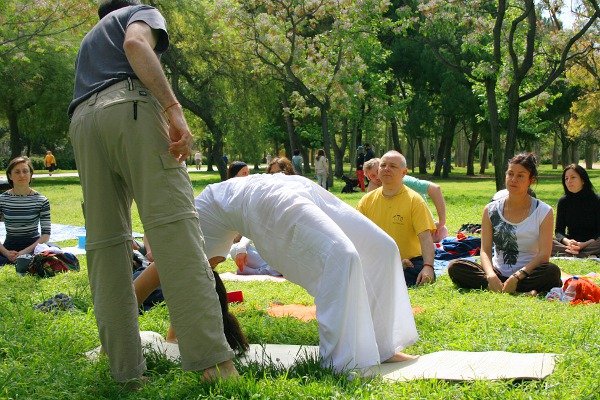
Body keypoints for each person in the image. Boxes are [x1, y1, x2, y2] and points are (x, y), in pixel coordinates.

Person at [67, 0, 237, 384]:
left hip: (82, 122)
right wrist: (174, 110)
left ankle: (124, 372)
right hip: (130, 108)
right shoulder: (140, 11)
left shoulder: (90, 39)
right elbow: (136, 45)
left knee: (106, 248)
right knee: (175, 232)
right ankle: (215, 367)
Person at [195, 174, 419, 372]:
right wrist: (177, 336)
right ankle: (339, 363)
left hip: (289, 186)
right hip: (264, 201)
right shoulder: (195, 226)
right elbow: (191, 281)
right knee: (341, 257)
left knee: (382, 247)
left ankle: (382, 347)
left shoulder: (193, 215)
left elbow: (192, 279)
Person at [447, 153, 562, 294]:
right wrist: (490, 276)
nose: (513, 180)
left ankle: (509, 287)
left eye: (520, 176)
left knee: (552, 272)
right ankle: (502, 287)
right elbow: (485, 250)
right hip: (497, 271)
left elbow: (544, 255)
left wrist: (517, 277)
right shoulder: (491, 210)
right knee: (455, 267)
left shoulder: (544, 211)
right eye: (510, 174)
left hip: (527, 274)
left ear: (531, 180)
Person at [357, 151, 436, 287]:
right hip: (378, 261)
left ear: (404, 172)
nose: (386, 169)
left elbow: (425, 238)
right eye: (383, 165)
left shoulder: (414, 200)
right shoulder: (366, 200)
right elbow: (357, 234)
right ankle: (395, 269)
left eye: (393, 166)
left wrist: (428, 266)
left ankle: (394, 271)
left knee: (417, 273)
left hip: (412, 261)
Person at [363, 157, 448, 243]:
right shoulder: (378, 190)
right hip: (401, 227)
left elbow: (435, 189)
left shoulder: (403, 180)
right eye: (372, 176)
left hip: (424, 227)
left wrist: (441, 221)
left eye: (378, 171)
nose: (377, 177)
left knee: (442, 231)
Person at [0, 157, 51, 266]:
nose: (22, 175)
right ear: (10, 175)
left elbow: (46, 234)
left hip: (33, 246)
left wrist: (23, 252)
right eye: (17, 172)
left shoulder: (42, 200)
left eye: (25, 171)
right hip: (9, 246)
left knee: (51, 255)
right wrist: (6, 253)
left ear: (30, 174)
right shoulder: (2, 200)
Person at [552, 164, 600, 258]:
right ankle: (583, 254)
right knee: (545, 241)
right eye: (566, 178)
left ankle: (574, 254)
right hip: (570, 243)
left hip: (592, 242)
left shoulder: (596, 200)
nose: (569, 181)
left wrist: (584, 244)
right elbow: (559, 231)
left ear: (583, 180)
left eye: (573, 177)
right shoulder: (563, 202)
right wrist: (568, 242)